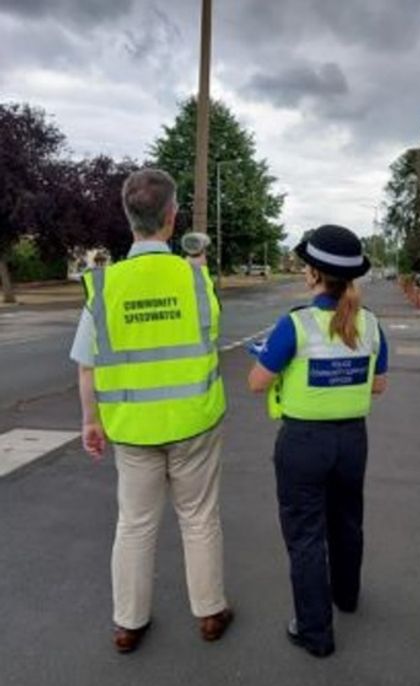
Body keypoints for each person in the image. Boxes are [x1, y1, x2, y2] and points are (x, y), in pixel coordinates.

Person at [70, 168, 232, 653]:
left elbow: (86, 367)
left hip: (133, 429)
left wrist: (91, 420)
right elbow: (209, 338)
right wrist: (195, 269)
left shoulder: (103, 286)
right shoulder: (197, 280)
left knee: (135, 524)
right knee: (199, 519)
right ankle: (209, 613)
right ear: (172, 216)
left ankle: (128, 623)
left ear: (128, 217)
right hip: (194, 424)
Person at [247, 224, 388, 658]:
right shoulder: (370, 324)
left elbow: (257, 383)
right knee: (347, 522)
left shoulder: (296, 325)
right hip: (352, 441)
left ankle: (314, 631)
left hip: (303, 443)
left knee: (306, 535)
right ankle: (346, 596)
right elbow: (378, 385)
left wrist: (272, 360)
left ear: (312, 274)